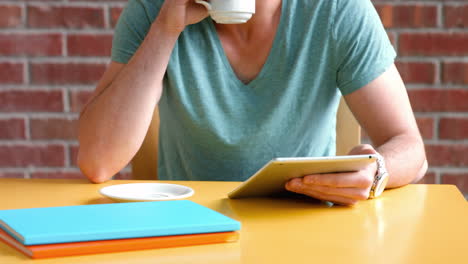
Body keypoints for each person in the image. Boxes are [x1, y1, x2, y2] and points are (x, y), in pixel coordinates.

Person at [77, 0, 427, 205]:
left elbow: (410, 147)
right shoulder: (155, 11)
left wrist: (376, 172)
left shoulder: (337, 10)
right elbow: (97, 162)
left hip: (303, 215)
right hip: (191, 222)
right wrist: (166, 29)